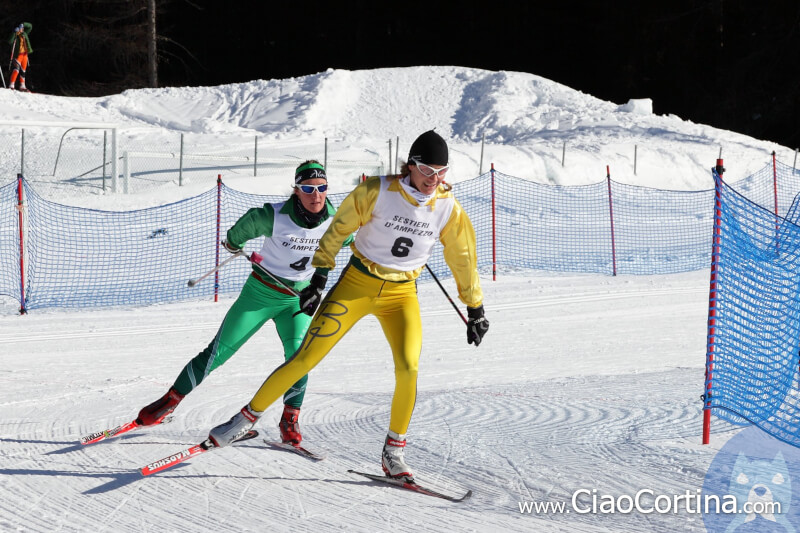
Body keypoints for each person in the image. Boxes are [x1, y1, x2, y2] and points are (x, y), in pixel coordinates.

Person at [206, 130, 490, 481]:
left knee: (409, 367)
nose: (434, 180)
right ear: (411, 165)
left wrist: (475, 308)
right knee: (306, 357)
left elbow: (463, 257)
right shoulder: (377, 191)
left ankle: (394, 452)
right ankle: (245, 419)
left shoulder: (448, 208)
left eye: (441, 172)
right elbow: (337, 231)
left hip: (401, 295)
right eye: (428, 171)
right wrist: (319, 278)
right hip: (357, 284)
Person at [136, 160, 353, 446]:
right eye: (308, 188)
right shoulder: (270, 216)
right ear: (296, 190)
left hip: (297, 299)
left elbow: (346, 243)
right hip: (260, 295)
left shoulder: (337, 220)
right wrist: (233, 245)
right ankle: (169, 401)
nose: (316, 195)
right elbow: (233, 238)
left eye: (322, 188)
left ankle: (290, 419)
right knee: (218, 352)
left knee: (299, 357)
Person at [8, 23, 32, 91]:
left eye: (22, 28)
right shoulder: (16, 35)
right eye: (21, 28)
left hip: (25, 55)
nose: (22, 29)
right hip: (17, 55)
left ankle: (22, 85)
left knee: (23, 71)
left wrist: (24, 24)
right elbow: (10, 41)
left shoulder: (24, 34)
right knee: (16, 69)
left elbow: (30, 27)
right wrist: (14, 32)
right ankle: (11, 84)